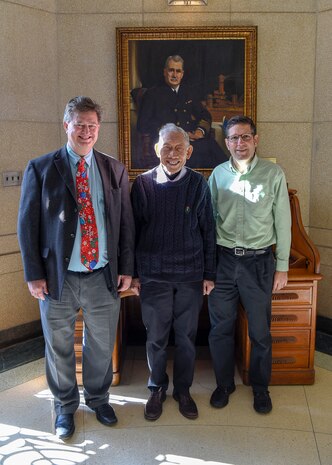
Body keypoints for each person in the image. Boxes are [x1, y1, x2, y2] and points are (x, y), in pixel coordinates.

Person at [17, 96, 135, 439]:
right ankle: (64, 408)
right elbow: (27, 225)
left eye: (92, 126)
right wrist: (33, 274)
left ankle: (99, 399)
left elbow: (124, 222)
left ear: (99, 129)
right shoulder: (41, 168)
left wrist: (126, 267)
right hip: (57, 279)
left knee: (100, 344)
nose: (86, 131)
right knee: (59, 346)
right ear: (66, 124)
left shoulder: (113, 169)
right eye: (80, 124)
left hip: (102, 275)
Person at [130, 123, 216, 421]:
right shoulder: (142, 185)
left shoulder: (198, 184)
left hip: (191, 274)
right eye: (167, 146)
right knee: (155, 336)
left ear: (189, 152)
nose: (173, 153)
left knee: (186, 336)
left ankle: (183, 389)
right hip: (153, 274)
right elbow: (134, 231)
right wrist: (135, 273)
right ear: (157, 150)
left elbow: (208, 230)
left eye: (179, 147)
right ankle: (156, 388)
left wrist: (209, 274)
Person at [208, 115, 291, 414]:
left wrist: (282, 265)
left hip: (259, 263)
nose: (239, 143)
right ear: (226, 142)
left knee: (260, 331)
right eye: (233, 138)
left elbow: (283, 221)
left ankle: (260, 388)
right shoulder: (217, 175)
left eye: (245, 137)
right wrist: (208, 267)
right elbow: (209, 222)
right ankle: (223, 384)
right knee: (220, 329)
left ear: (256, 139)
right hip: (224, 262)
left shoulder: (273, 174)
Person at [136, 55, 228, 169]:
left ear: (182, 74)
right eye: (171, 70)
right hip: (168, 145)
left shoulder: (188, 92)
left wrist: (200, 131)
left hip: (190, 141)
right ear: (165, 72)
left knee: (213, 149)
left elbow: (205, 115)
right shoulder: (152, 94)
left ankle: (229, 178)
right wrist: (173, 132)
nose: (174, 75)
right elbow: (142, 124)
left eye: (178, 71)